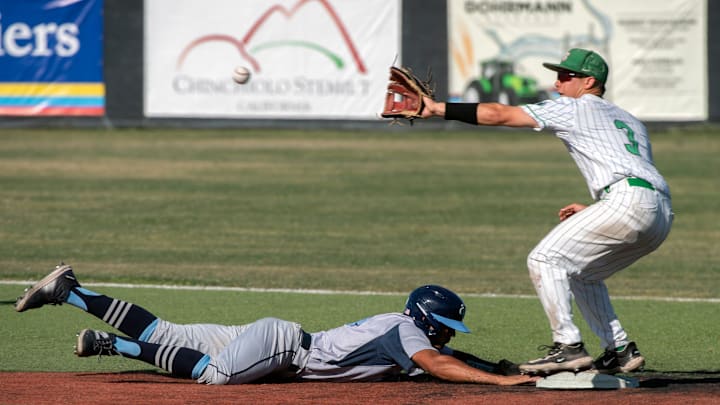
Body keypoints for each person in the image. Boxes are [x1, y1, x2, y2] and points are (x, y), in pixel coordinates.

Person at [420, 48, 673, 375]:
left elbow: (499, 114)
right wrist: (606, 208)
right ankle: (620, 350)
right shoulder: (631, 120)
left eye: (566, 76)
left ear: (589, 82)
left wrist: (439, 108)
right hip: (658, 212)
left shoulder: (576, 107)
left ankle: (567, 348)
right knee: (583, 274)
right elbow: (631, 171)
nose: (557, 83)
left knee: (545, 259)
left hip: (627, 201)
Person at [15, 263, 537, 386]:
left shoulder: (402, 327)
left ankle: (71, 291)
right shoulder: (408, 333)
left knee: (164, 333)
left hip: (274, 334)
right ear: (427, 317)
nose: (446, 333)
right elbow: (436, 362)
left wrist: (504, 365)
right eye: (443, 324)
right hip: (286, 348)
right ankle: (115, 346)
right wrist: (497, 381)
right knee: (212, 376)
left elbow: (449, 357)